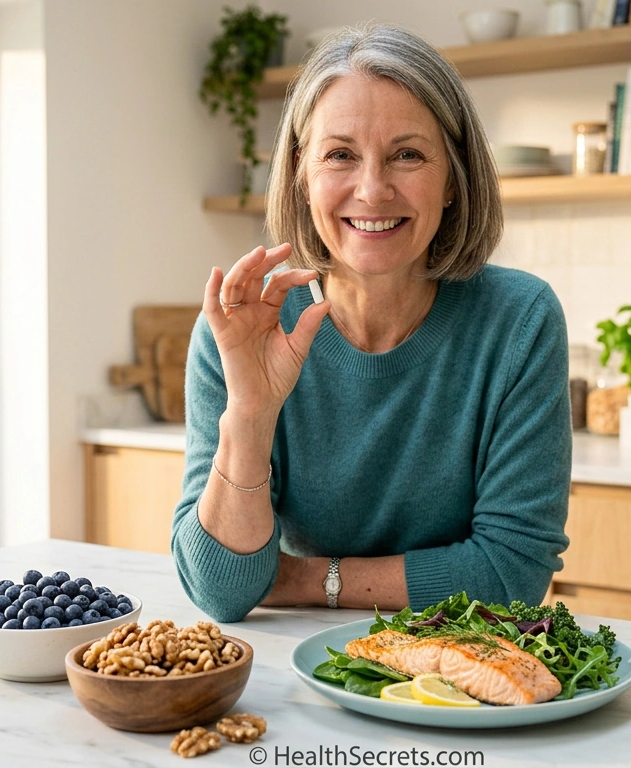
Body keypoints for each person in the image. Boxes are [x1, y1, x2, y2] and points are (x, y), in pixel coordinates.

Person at [172, 23, 571, 623]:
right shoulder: (242, 329)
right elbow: (222, 591)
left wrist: (306, 578)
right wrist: (250, 417)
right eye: (340, 155)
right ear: (302, 173)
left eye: (407, 154)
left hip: (455, 669)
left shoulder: (520, 321)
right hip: (294, 678)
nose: (373, 189)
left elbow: (509, 574)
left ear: (454, 179)